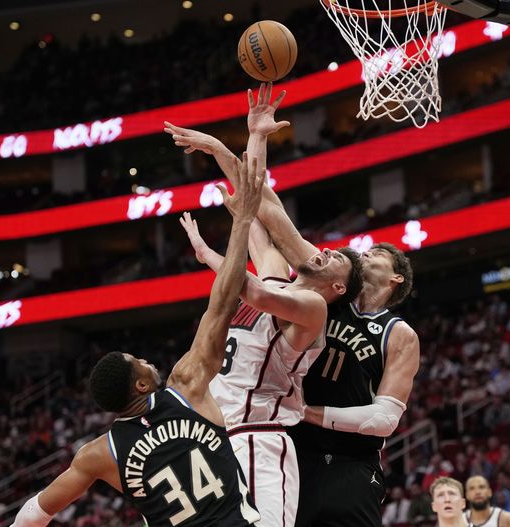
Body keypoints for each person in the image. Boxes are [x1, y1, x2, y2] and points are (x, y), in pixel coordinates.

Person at [167, 82, 420, 527]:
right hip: (285, 435)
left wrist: (302, 410)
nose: (363, 252)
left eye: (377, 253)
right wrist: (241, 142)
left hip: (343, 456)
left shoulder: (395, 332)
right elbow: (265, 206)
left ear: (395, 276)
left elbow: (383, 419)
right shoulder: (314, 283)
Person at [8, 153, 265, 526]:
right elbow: (223, 301)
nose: (148, 360)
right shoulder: (186, 386)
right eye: (139, 362)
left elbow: (36, 511)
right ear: (142, 383)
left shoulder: (99, 454)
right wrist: (241, 222)